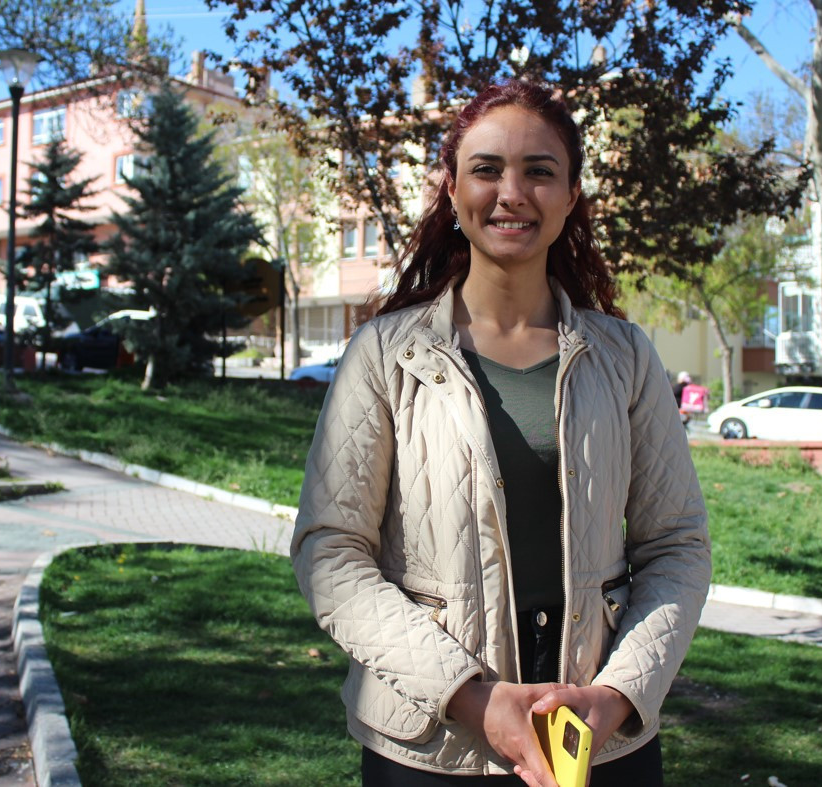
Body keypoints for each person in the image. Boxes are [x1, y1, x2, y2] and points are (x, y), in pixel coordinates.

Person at [290, 80, 710, 786]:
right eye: (486, 169)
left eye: (539, 171)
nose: (511, 193)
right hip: (432, 742)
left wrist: (616, 695)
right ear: (452, 189)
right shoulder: (385, 355)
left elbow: (677, 545)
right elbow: (330, 551)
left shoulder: (625, 357)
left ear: (571, 195)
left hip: (597, 741)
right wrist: (471, 697)